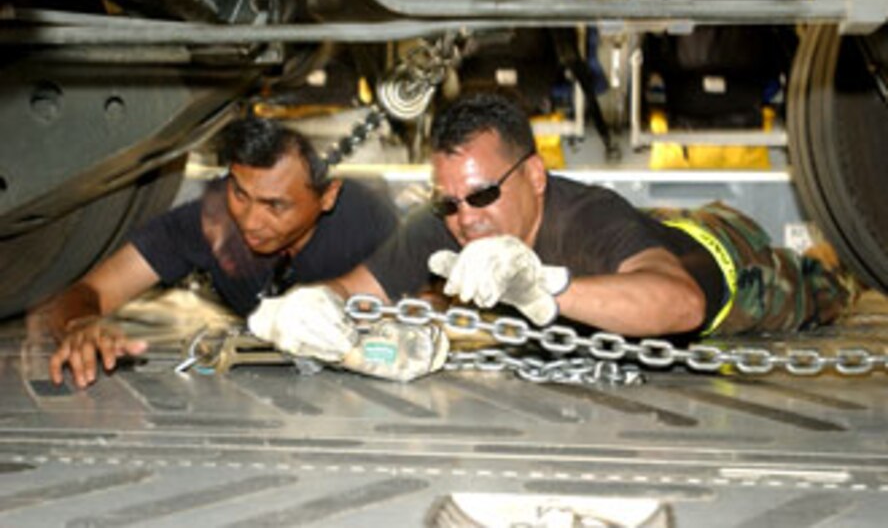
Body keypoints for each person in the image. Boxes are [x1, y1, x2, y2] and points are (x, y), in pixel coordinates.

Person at [248, 92, 852, 378]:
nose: (466, 219)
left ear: (534, 175)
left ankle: (825, 258)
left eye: (484, 195)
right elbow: (357, 289)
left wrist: (544, 287)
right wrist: (298, 311)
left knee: (821, 283)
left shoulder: (584, 218)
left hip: (731, 265)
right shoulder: (446, 222)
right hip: (650, 232)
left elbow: (683, 304)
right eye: (450, 201)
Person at [32, 116, 399, 388]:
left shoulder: (371, 226)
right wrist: (80, 325)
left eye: (275, 205)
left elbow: (433, 304)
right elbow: (89, 292)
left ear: (328, 195)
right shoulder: (210, 223)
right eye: (240, 193)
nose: (251, 221)